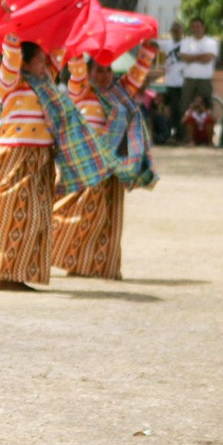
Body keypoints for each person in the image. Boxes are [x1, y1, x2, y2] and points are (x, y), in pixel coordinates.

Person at [0, 35, 111, 292]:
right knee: (13, 214)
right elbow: (10, 60)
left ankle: (17, 274)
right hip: (16, 156)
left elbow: (60, 55)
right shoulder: (11, 83)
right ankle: (7, 276)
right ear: (24, 63)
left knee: (35, 220)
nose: (44, 64)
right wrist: (13, 35)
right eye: (39, 60)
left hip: (40, 158)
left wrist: (67, 33)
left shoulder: (47, 83)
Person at [50, 45, 158, 280]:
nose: (104, 75)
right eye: (98, 70)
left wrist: (149, 49)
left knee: (106, 222)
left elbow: (137, 74)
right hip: (84, 167)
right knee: (77, 216)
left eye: (108, 70)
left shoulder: (120, 93)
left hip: (111, 169)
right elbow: (76, 66)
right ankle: (54, 249)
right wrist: (76, 46)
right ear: (88, 73)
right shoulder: (81, 91)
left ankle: (96, 266)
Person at [177, 18, 218, 117]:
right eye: (193, 26)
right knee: (185, 105)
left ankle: (206, 125)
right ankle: (185, 126)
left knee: (206, 105)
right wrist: (201, 56)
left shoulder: (210, 42)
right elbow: (184, 58)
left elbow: (207, 59)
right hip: (189, 78)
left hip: (204, 79)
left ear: (203, 27)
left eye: (198, 26)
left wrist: (192, 57)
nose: (196, 28)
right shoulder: (186, 42)